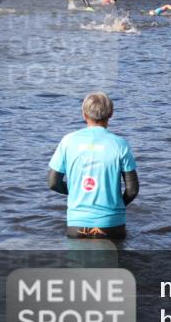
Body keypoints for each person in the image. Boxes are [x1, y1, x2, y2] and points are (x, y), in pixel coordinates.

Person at [47, 92, 139, 239]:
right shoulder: (120, 144)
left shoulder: (68, 141)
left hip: (77, 226)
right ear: (111, 114)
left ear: (84, 114)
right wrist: (117, 206)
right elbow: (132, 190)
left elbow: (53, 183)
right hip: (112, 225)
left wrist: (75, 191)